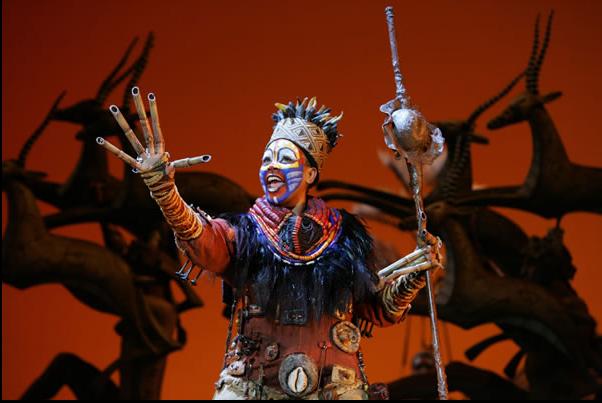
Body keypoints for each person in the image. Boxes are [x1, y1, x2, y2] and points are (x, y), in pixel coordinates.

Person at [99, 89, 441, 400]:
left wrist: (413, 277)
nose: (272, 166)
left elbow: (375, 308)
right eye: (266, 159)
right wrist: (165, 191)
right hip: (254, 387)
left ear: (310, 173)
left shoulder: (345, 237)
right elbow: (202, 239)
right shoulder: (246, 232)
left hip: (335, 390)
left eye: (285, 158)